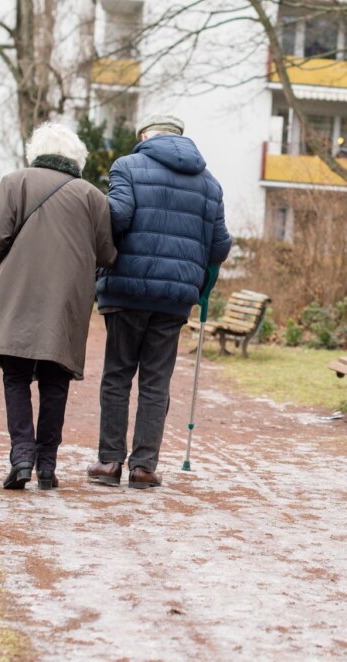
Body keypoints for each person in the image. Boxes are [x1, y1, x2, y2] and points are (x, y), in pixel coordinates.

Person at [87, 113, 231, 489]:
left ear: (144, 136)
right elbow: (220, 245)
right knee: (156, 381)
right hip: (175, 298)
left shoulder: (127, 166)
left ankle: (109, 462)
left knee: (118, 374)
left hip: (126, 290)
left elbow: (116, 217)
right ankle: (144, 467)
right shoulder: (209, 184)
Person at [0, 122, 116, 491]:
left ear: (35, 151)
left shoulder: (14, 181)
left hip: (19, 288)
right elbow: (107, 253)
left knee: (16, 373)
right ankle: (48, 465)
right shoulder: (92, 196)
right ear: (77, 158)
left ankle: (22, 454)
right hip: (68, 297)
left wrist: (4, 260)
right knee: (56, 379)